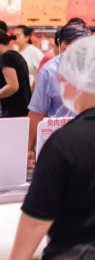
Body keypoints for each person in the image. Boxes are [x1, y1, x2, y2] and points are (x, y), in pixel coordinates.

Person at [1, 36, 95, 260]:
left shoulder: (64, 143)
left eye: (65, 77)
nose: (61, 83)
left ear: (80, 82)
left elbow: (36, 219)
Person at [27, 21, 92, 158]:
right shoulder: (49, 72)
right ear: (59, 43)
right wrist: (29, 148)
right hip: (59, 141)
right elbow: (36, 113)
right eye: (66, 50)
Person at [0, 28, 31, 118]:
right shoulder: (16, 55)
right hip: (24, 110)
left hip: (14, 112)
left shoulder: (6, 57)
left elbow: (13, 86)